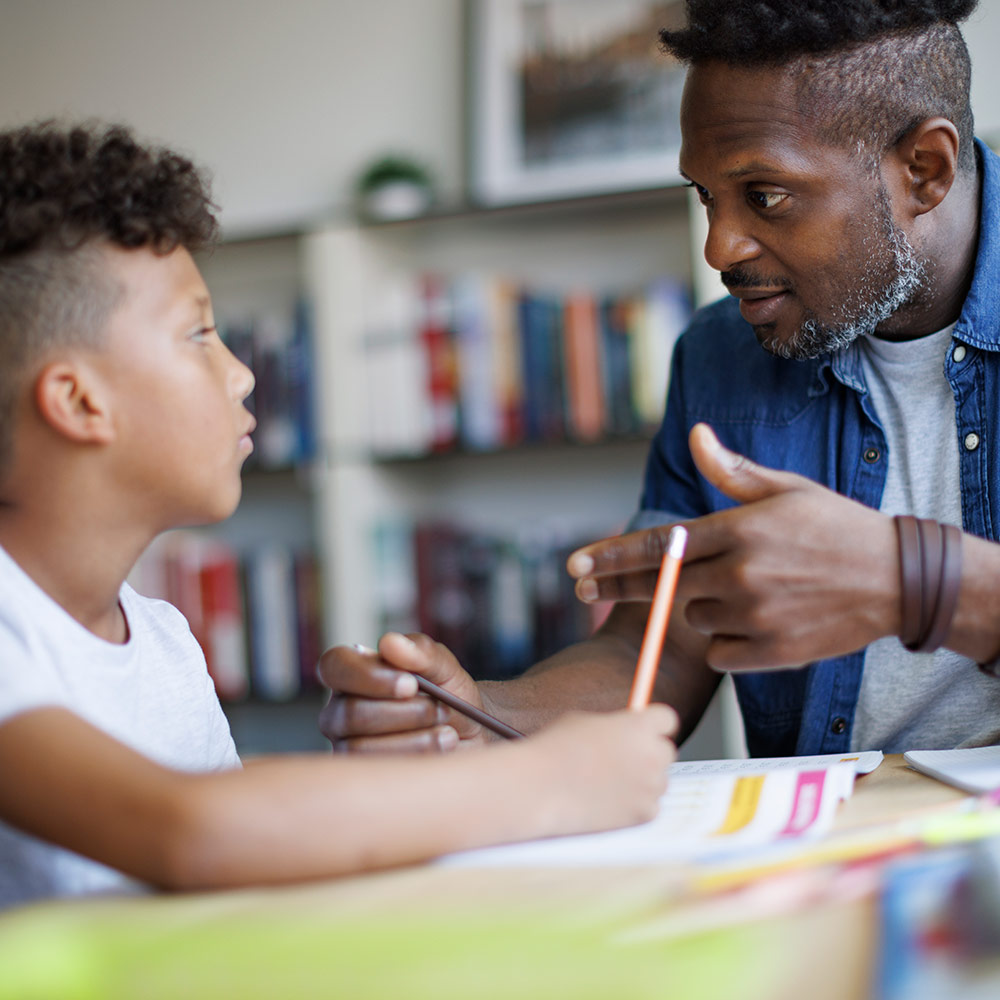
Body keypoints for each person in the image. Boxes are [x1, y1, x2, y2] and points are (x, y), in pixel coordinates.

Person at [0, 121, 678, 909]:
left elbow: (228, 865)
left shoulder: (159, 639)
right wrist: (548, 781)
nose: (244, 376)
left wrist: (395, 787)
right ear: (80, 402)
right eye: (198, 334)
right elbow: (190, 831)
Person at [319, 0, 1000, 760]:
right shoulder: (720, 355)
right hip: (825, 849)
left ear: (925, 170)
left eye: (765, 196)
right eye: (705, 196)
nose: (719, 247)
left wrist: (913, 581)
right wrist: (475, 715)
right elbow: (656, 650)